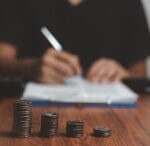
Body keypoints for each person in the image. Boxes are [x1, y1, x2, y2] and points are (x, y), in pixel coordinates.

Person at [0, 0, 149, 84]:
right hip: (31, 111)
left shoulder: (128, 3)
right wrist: (30, 67)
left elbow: (140, 75)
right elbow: (3, 60)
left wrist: (123, 75)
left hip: (117, 117)